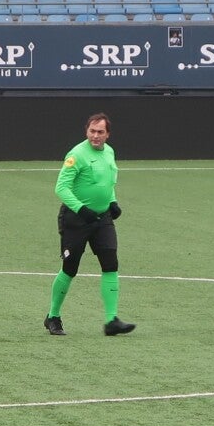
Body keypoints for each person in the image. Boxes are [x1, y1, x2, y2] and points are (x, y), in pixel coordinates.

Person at [45, 113, 134, 337]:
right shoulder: (76, 155)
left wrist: (112, 202)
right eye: (92, 131)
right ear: (87, 131)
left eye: (100, 132)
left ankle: (111, 320)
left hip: (102, 219)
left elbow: (107, 182)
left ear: (107, 134)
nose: (95, 136)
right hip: (76, 219)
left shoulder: (109, 152)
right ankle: (53, 316)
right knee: (70, 268)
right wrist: (81, 209)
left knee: (110, 263)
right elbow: (61, 188)